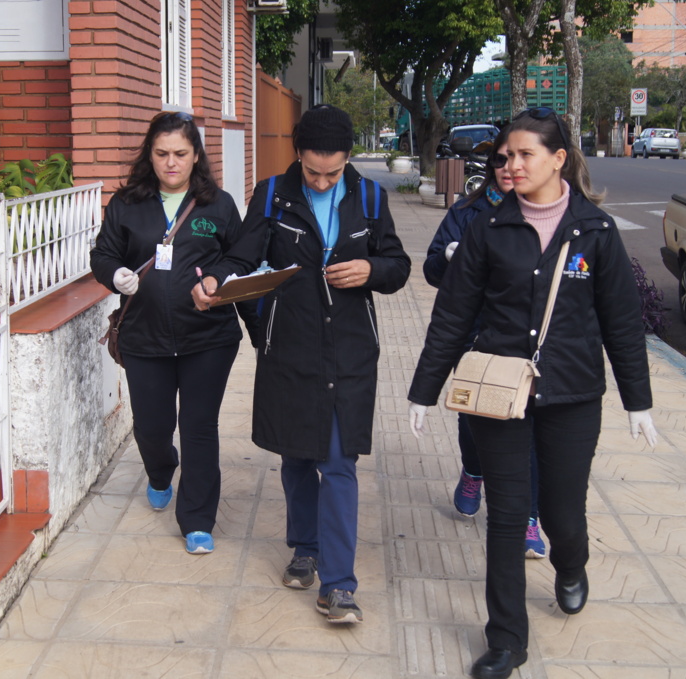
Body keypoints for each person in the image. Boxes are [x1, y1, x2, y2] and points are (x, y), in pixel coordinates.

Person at [408, 107, 658, 679]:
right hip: (501, 393)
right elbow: (453, 316)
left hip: (572, 397)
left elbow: (622, 322)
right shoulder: (487, 229)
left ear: (558, 159)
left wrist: (637, 400)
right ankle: (506, 640)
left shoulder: (595, 231)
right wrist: (424, 390)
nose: (512, 165)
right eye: (507, 155)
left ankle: (571, 565)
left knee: (561, 513)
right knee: (507, 515)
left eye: (525, 154)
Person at [239, 105, 411, 624]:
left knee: (337, 462)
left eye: (331, 173)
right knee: (296, 455)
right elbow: (240, 260)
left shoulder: (370, 197)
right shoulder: (272, 195)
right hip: (291, 347)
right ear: (297, 155)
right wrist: (216, 283)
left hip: (349, 349)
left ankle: (338, 585)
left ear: (348, 159)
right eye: (312, 171)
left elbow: (399, 266)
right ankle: (305, 548)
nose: (320, 182)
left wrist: (370, 269)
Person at [90, 111, 264, 555]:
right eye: (162, 153)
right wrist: (116, 275)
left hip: (208, 336)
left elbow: (241, 256)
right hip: (144, 336)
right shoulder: (126, 203)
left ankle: (198, 520)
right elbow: (103, 254)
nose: (171, 163)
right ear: (149, 155)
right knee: (152, 427)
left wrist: (219, 278)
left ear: (196, 156)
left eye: (181, 154)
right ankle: (160, 470)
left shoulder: (217, 204)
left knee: (198, 426)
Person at [423, 134, 547, 559]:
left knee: (526, 425)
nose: (508, 168)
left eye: (518, 158)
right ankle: (473, 470)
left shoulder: (549, 215)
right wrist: (451, 257)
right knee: (475, 413)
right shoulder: (467, 212)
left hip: (526, 339)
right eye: (499, 160)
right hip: (474, 335)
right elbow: (432, 268)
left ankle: (528, 517)